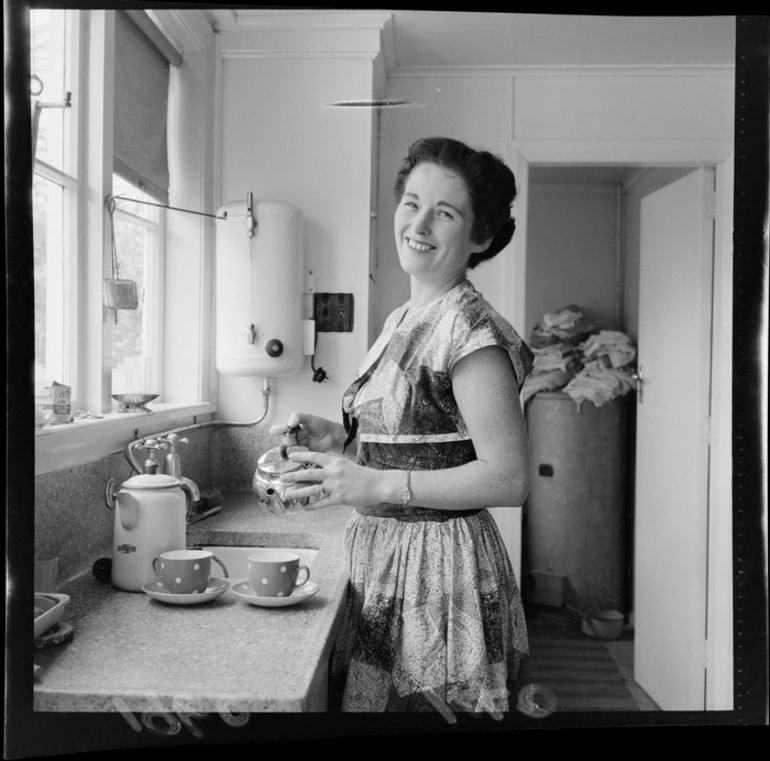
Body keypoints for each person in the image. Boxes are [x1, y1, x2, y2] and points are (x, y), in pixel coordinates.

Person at [270, 136, 533, 716]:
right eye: (412, 202)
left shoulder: (472, 332)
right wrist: (341, 440)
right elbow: (422, 438)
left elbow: (508, 478)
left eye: (446, 212)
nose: (420, 223)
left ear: (479, 237)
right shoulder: (403, 316)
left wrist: (376, 486)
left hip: (440, 573)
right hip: (390, 559)